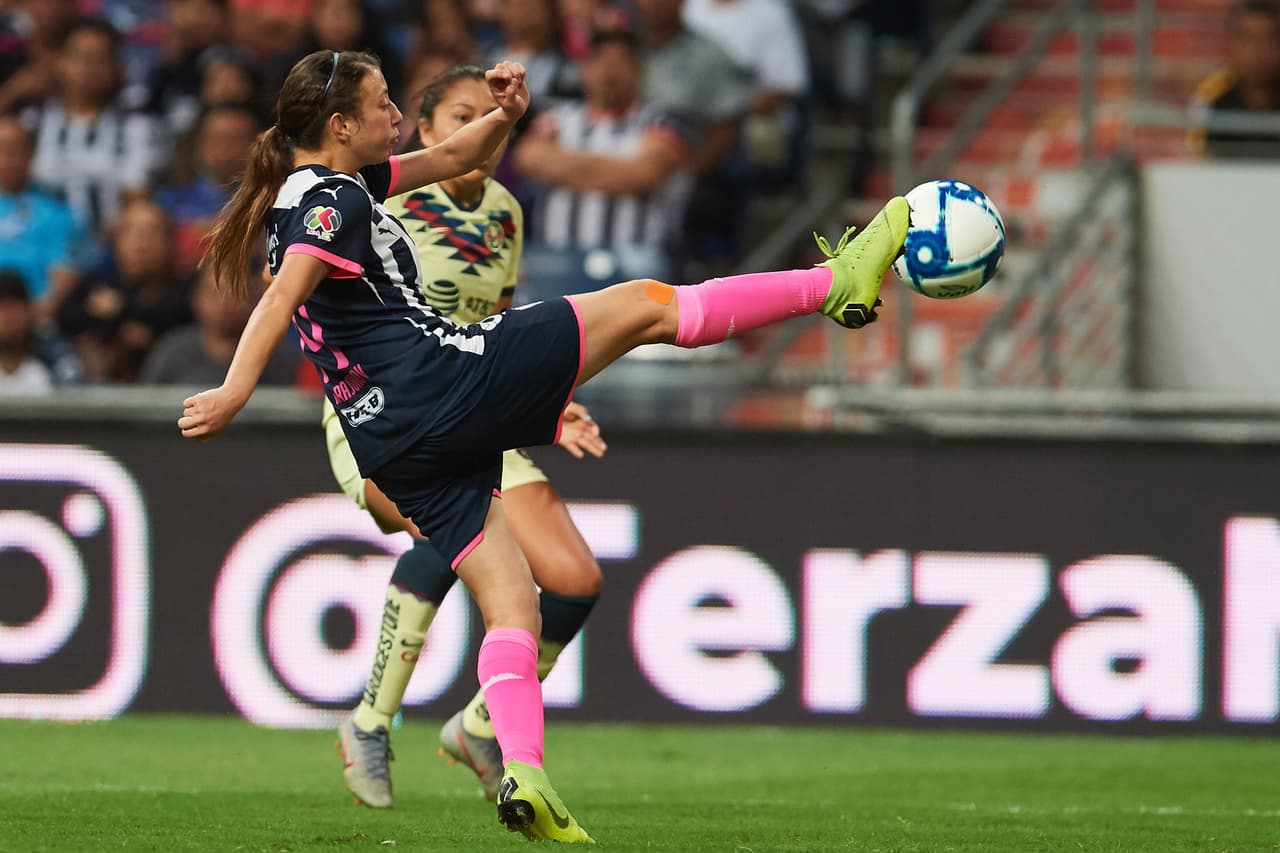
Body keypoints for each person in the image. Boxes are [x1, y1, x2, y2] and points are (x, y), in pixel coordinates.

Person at [179, 47, 907, 843]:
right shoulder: (333, 203)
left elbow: (459, 154)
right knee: (648, 304)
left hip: (390, 442)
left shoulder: (328, 190)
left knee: (513, 599)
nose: (396, 115)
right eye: (384, 104)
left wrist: (507, 116)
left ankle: (522, 770)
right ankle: (832, 286)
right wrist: (235, 390)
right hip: (441, 382)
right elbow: (282, 295)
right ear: (340, 124)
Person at [325, 64, 607, 810]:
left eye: (490, 116)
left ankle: (480, 725)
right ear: (421, 132)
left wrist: (557, 403)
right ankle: (369, 721)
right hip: (379, 408)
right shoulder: (387, 200)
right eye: (459, 116)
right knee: (443, 521)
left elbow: (499, 321)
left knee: (575, 578)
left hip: (470, 394)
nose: (477, 131)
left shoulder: (506, 212)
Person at [512, 25, 690, 281]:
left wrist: (562, 166)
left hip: (632, 256)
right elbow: (527, 158)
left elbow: (643, 175)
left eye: (620, 62)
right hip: (556, 254)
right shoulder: (557, 118)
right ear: (585, 69)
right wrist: (616, 171)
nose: (609, 72)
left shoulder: (660, 121)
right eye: (600, 61)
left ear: (639, 70)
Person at [1191, 0, 1280, 158]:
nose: (1259, 50)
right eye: (1248, 39)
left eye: (1270, 39)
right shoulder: (1212, 98)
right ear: (1230, 44)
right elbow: (1200, 159)